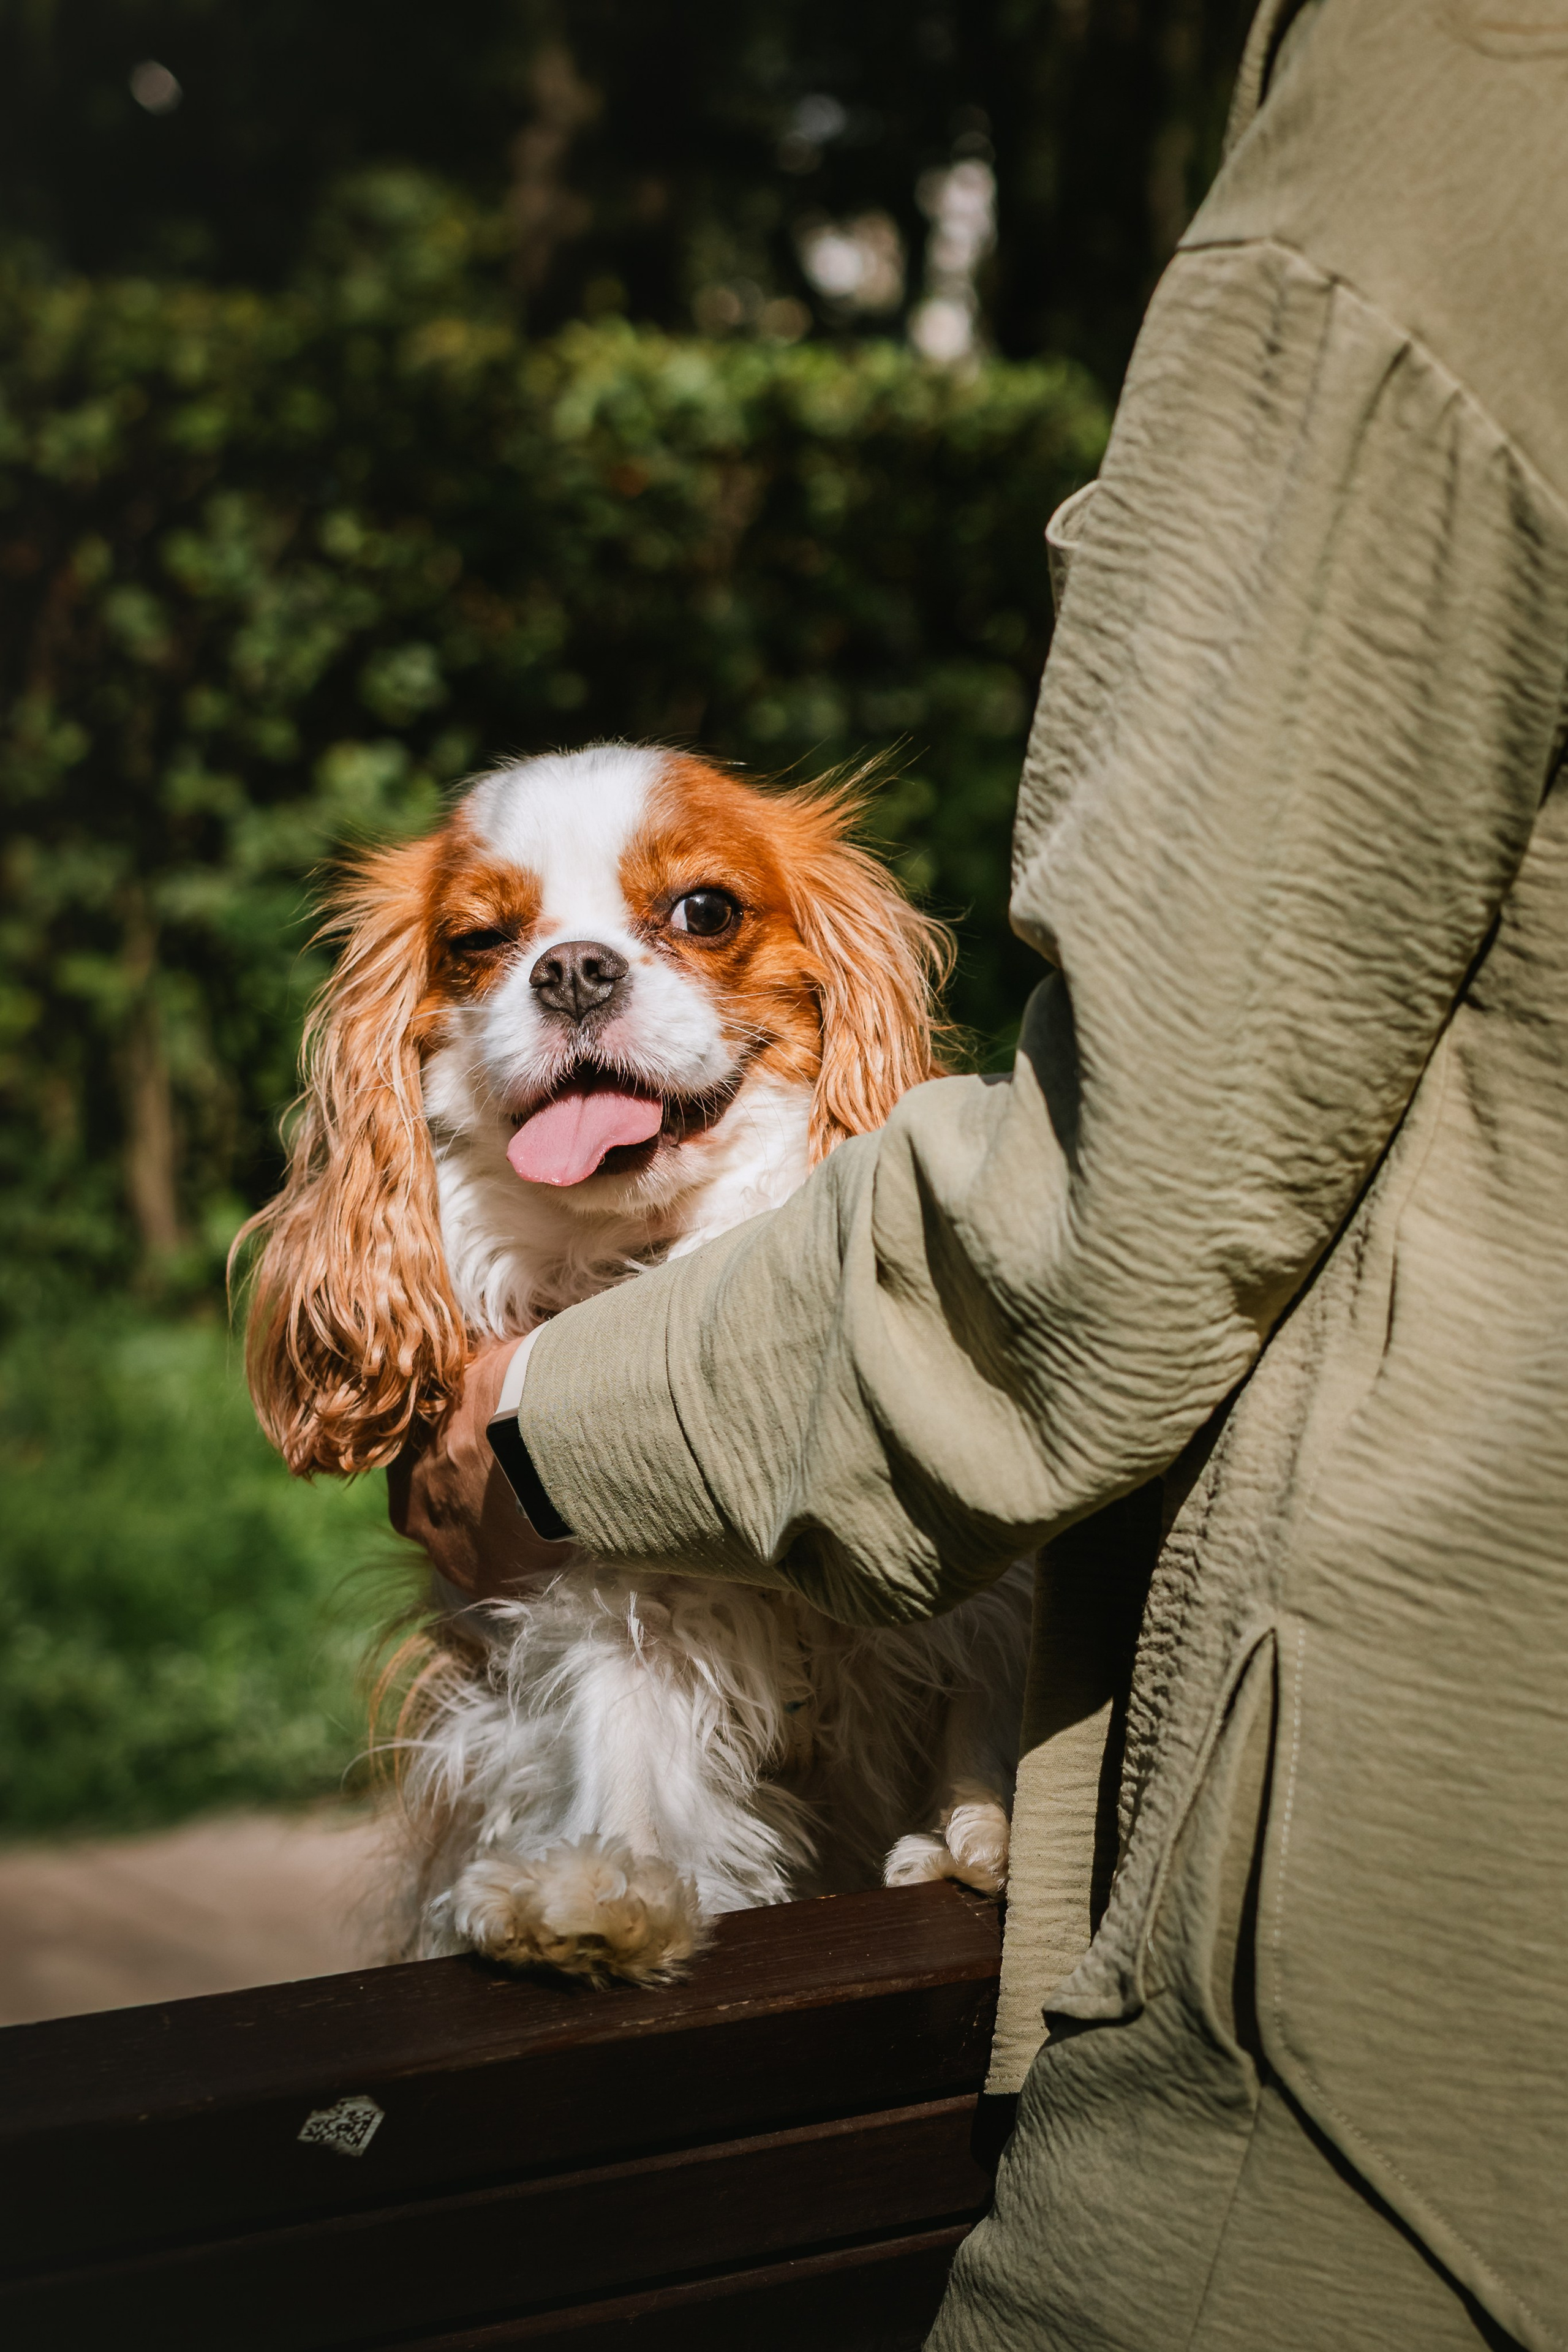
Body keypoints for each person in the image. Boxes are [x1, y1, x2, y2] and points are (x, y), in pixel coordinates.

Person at [392, 4, 1568, 2343]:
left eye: (687, 916)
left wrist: (546, 1435)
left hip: (1418, 1969)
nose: (587, 973)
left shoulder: (1448, 107)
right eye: (501, 947)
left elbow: (1125, 1204)